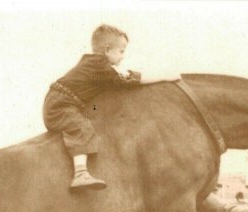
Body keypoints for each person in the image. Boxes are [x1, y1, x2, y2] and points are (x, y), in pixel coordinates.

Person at [43, 24, 178, 191]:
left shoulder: (95, 65)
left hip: (60, 100)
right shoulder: (99, 66)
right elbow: (127, 81)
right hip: (60, 105)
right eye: (121, 51)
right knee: (81, 128)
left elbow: (122, 76)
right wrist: (165, 77)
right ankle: (80, 174)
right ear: (107, 50)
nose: (123, 57)